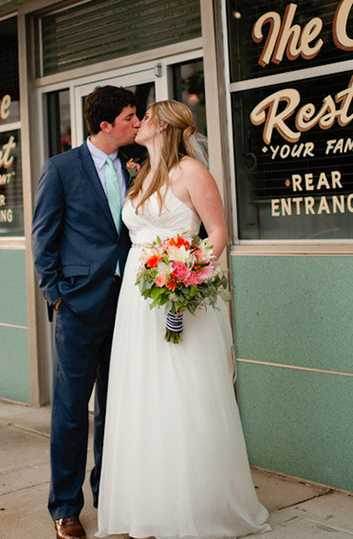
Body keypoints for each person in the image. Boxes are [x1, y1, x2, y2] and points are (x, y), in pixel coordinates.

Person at [96, 100, 271, 539]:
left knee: (184, 392)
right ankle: (149, 503)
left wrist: (187, 276)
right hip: (139, 301)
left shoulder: (191, 172)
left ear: (163, 127)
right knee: (144, 395)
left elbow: (218, 234)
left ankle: (197, 505)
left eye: (145, 118)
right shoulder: (143, 173)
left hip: (181, 298)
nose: (137, 124)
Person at [32, 85, 140, 539]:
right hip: (77, 305)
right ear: (105, 124)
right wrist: (57, 294)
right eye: (131, 117)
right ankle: (66, 506)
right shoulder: (61, 169)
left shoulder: (137, 166)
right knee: (73, 410)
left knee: (116, 407)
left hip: (128, 305)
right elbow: (43, 237)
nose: (137, 124)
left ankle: (108, 493)